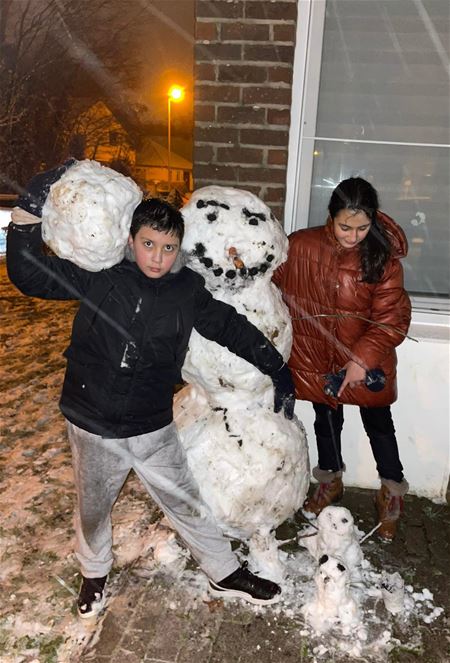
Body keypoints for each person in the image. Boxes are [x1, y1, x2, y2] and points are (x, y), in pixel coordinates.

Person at [7, 178, 296, 618]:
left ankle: (224, 573)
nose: (157, 258)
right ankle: (94, 573)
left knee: (185, 501)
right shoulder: (100, 278)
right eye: (148, 244)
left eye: (167, 248)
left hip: (151, 425)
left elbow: (230, 326)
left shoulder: (187, 291)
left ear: (178, 248)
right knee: (93, 508)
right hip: (93, 422)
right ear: (130, 240)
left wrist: (276, 367)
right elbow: (28, 273)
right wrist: (28, 211)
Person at [273, 177, 411, 540]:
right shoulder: (301, 246)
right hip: (318, 358)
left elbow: (392, 319)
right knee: (326, 420)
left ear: (373, 221)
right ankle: (330, 481)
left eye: (362, 228)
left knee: (379, 424)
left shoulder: (383, 260)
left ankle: (391, 493)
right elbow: (270, 279)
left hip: (368, 360)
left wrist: (361, 360)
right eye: (345, 226)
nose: (353, 236)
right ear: (330, 217)